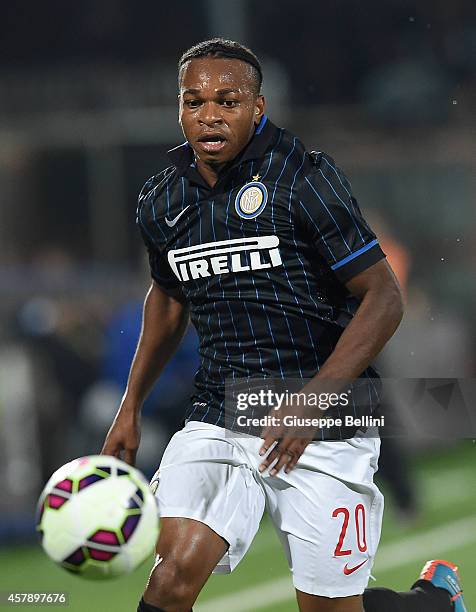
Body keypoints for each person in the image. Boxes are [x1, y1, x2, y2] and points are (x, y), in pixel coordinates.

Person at [101, 39, 466, 612]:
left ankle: (433, 603)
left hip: (325, 415)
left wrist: (313, 402)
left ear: (258, 107)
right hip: (221, 410)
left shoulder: (304, 177)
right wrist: (131, 405)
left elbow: (383, 298)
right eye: (194, 102)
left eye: (227, 101)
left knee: (327, 608)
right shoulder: (162, 197)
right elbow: (169, 299)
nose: (209, 116)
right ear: (179, 110)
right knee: (172, 575)